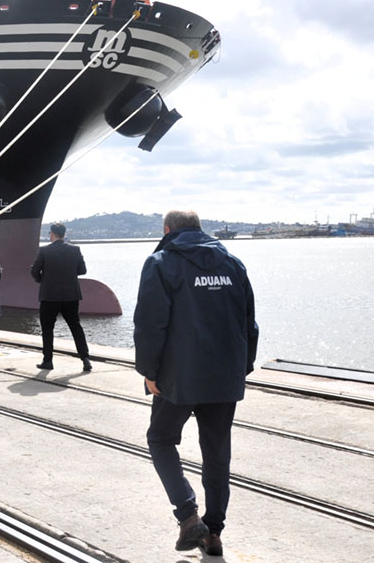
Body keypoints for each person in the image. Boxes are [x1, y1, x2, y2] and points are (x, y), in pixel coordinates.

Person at [134, 210, 258, 556]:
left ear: (167, 230)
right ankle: (213, 533)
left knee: (160, 439)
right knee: (217, 453)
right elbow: (249, 323)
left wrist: (149, 371)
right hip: (224, 376)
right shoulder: (233, 264)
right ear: (200, 229)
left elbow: (149, 324)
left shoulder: (161, 263)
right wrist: (241, 368)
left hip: (179, 376)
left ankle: (188, 516)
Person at [30, 222, 92, 372]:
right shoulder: (75, 250)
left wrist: (43, 280)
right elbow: (83, 270)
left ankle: (48, 361)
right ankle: (85, 359)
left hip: (49, 296)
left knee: (47, 329)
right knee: (75, 326)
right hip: (71, 295)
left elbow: (34, 271)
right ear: (64, 234)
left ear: (52, 234)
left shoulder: (44, 251)